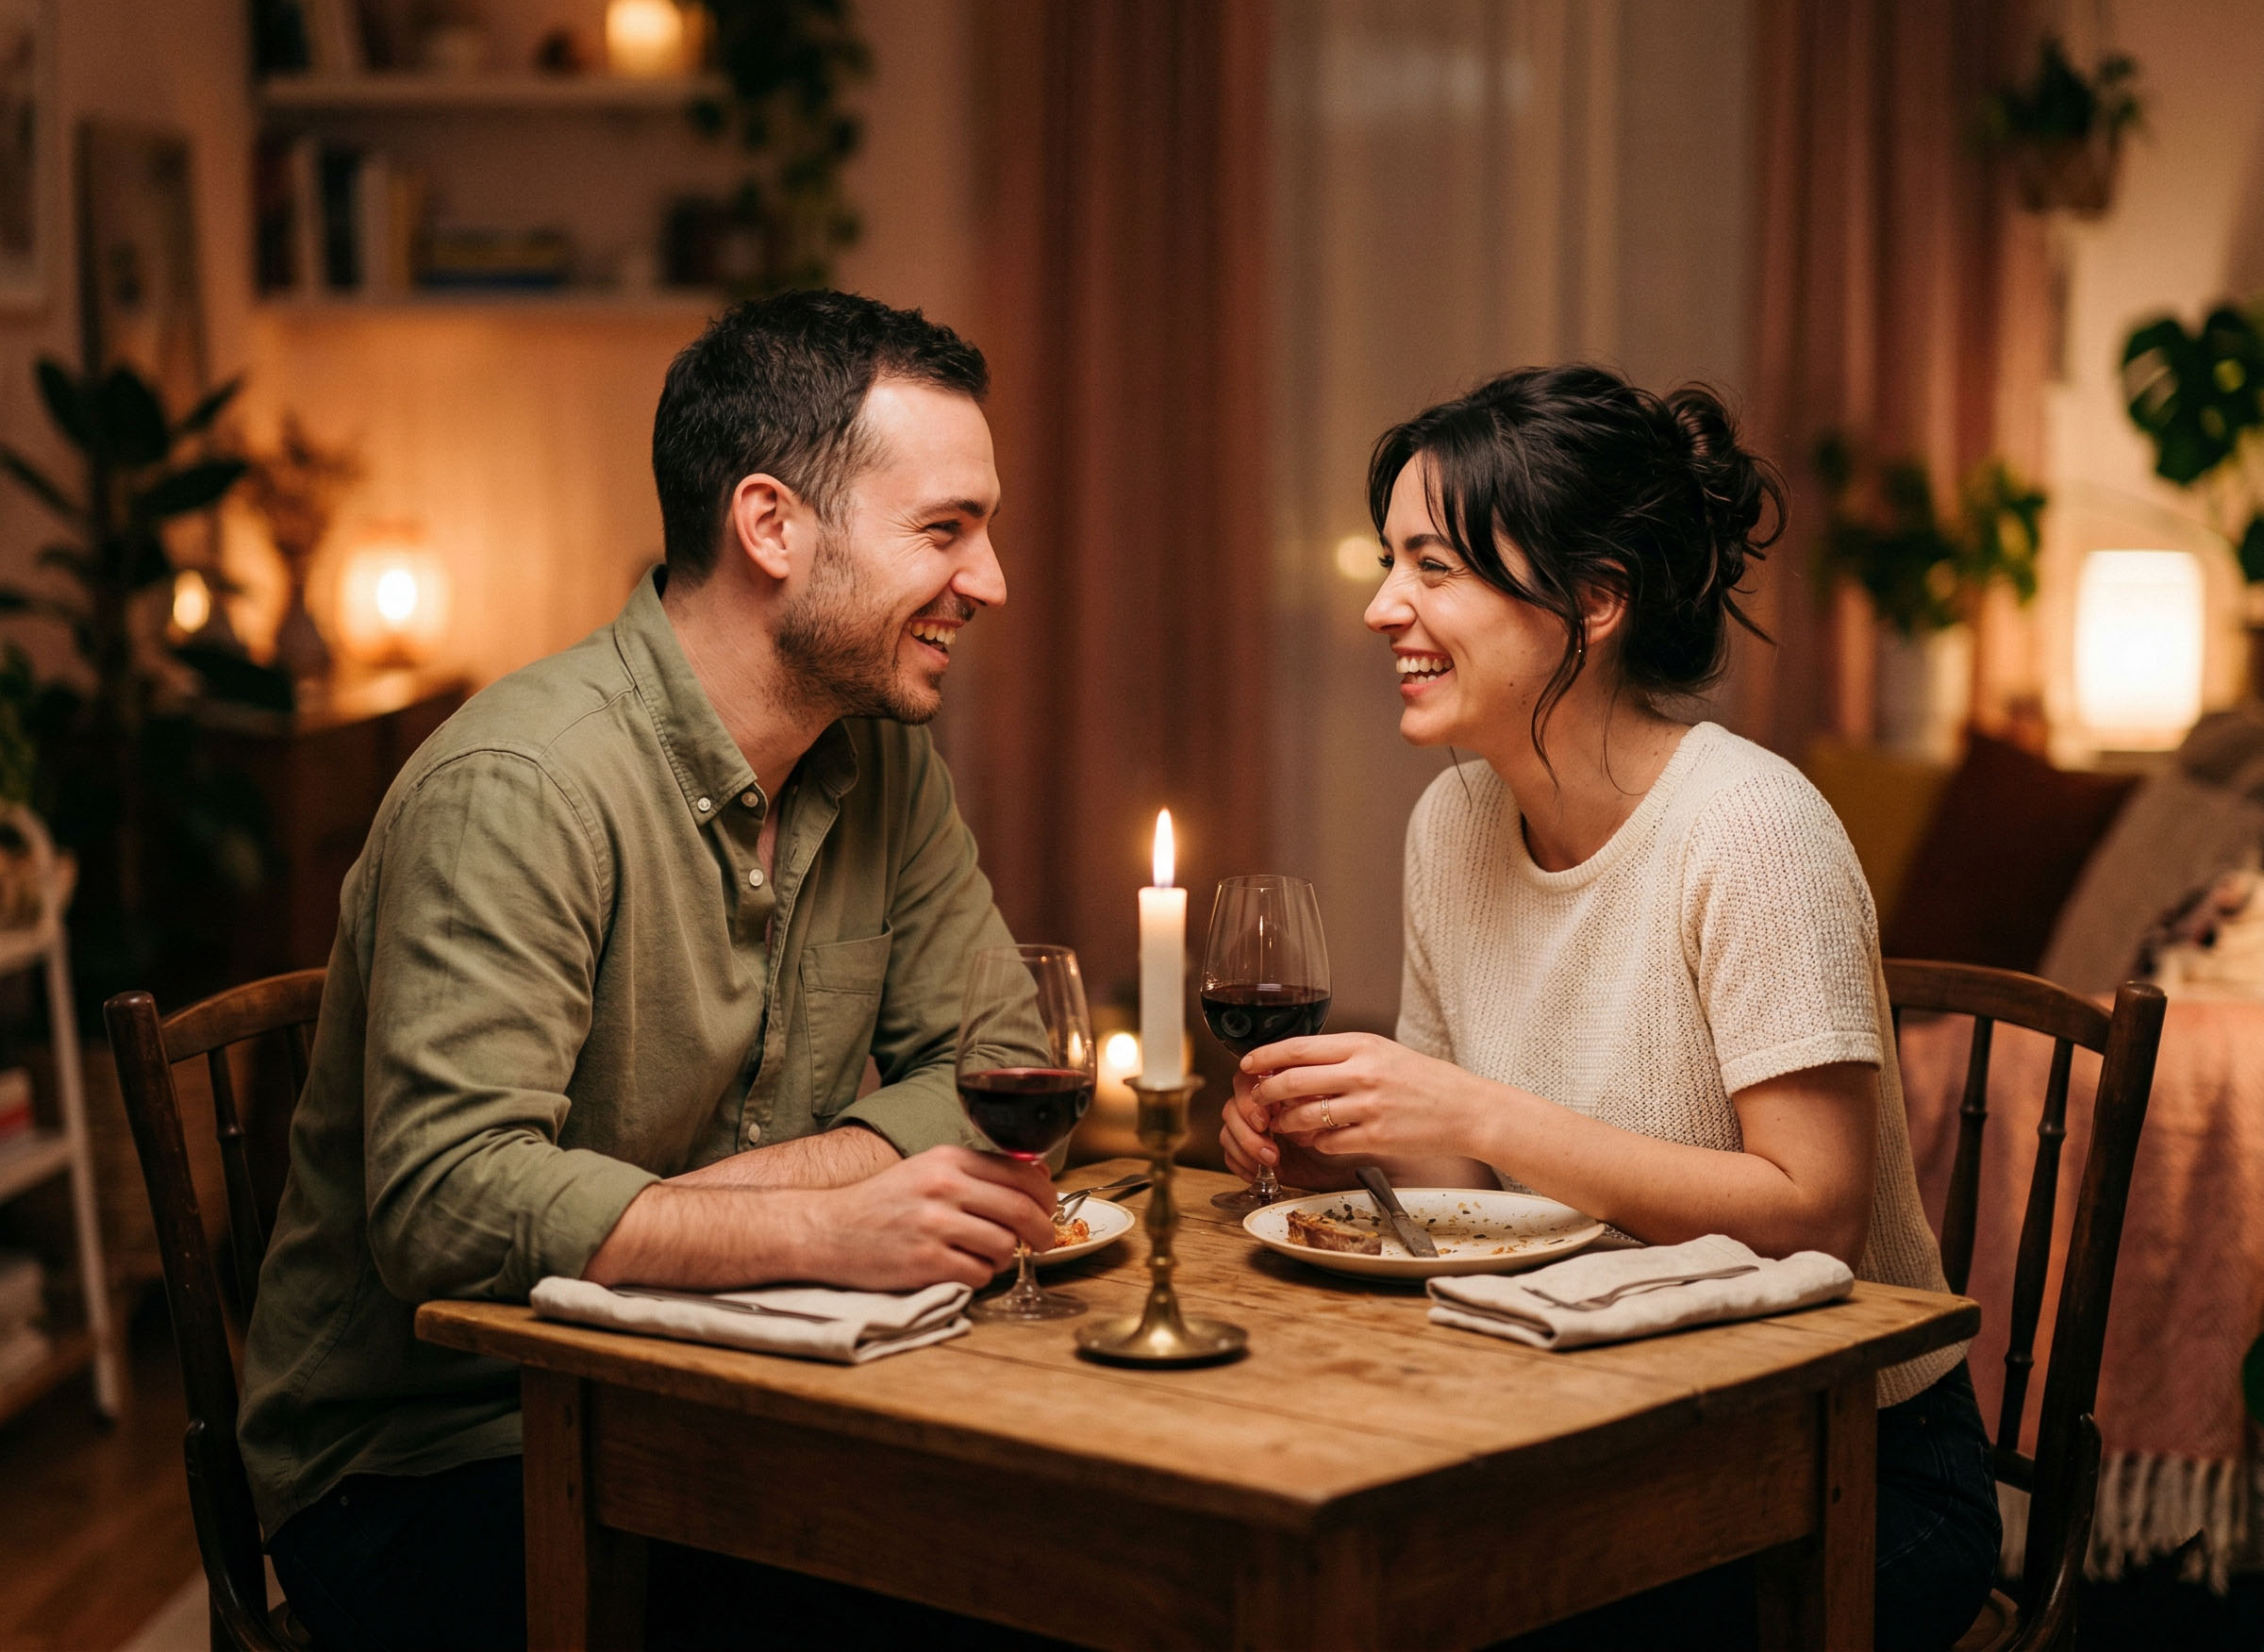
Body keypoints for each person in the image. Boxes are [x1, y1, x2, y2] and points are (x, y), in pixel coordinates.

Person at [241, 291, 1061, 1652]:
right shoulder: (521, 785)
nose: (991, 581)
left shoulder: (881, 757)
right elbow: (446, 1203)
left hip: (713, 1392)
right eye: (945, 530)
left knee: (1049, 1569)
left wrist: (716, 1206)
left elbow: (996, 1063)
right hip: (434, 1460)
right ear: (771, 527)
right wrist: (819, 1226)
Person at [1219, 366, 2001, 1652]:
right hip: (1588, 1418)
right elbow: (1474, 1179)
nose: (1380, 607)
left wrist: (1470, 1102)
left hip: (1843, 1464)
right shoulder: (1453, 823)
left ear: (1595, 599)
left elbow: (1816, 1213)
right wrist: (1350, 1128)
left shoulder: (1751, 829)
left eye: (1434, 565)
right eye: (1388, 561)